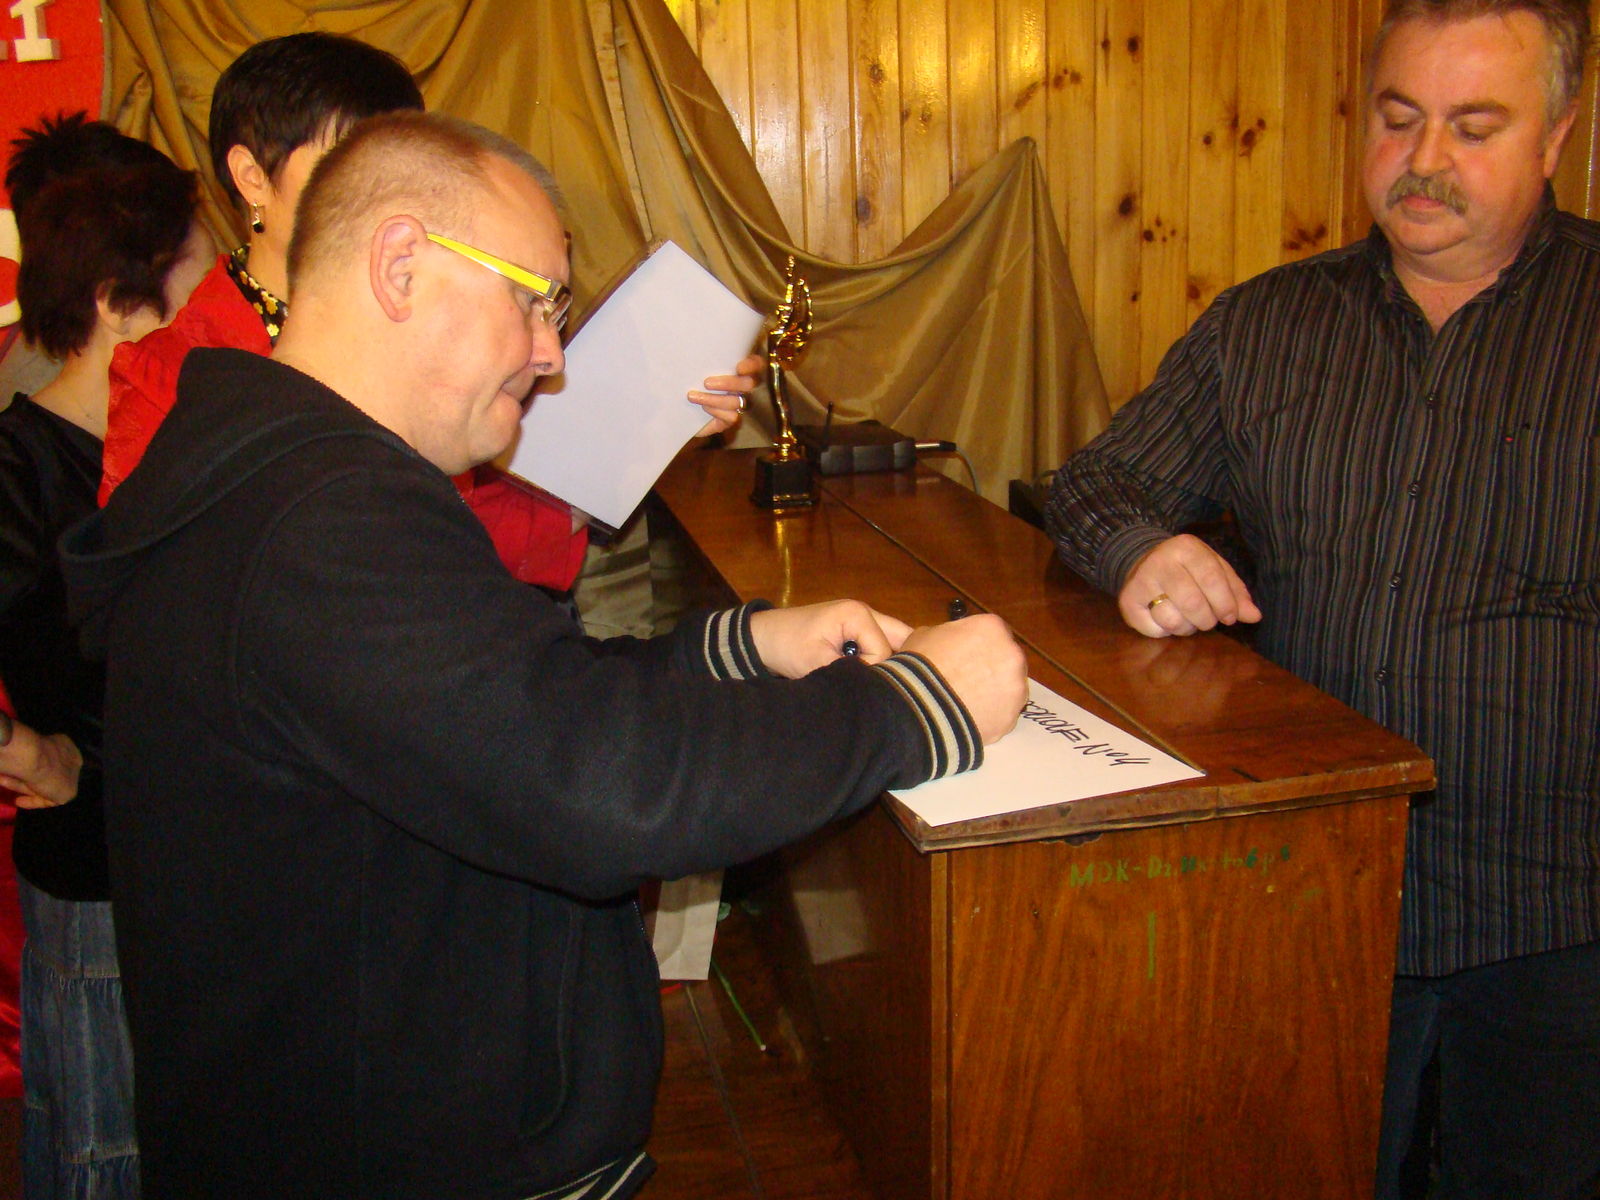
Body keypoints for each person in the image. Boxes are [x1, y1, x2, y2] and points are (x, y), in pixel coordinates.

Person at [59, 111, 1028, 1200]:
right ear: (400, 266)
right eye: (533, 300)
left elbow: (513, 703)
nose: (552, 355)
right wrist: (917, 705)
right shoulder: (319, 519)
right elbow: (604, 789)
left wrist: (742, 649)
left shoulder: (294, 477)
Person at [1044, 2, 1598, 1197]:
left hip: (1562, 919)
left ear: (1556, 136)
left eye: (1473, 128)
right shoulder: (1266, 325)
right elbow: (1091, 483)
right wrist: (1141, 550)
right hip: (1310, 894)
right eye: (1396, 120)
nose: (1424, 160)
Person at [102, 30, 759, 590]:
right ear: (251, 176)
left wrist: (648, 425)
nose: (386, 188)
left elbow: (509, 513)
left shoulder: (454, 312)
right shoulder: (168, 374)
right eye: (347, 158)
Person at [2, 111, 214, 1199]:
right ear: (116, 301)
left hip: (181, 857)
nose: (214, 311)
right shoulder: (18, 464)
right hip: (93, 873)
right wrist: (29, 753)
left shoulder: (175, 443)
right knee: (106, 1159)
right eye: (194, 287)